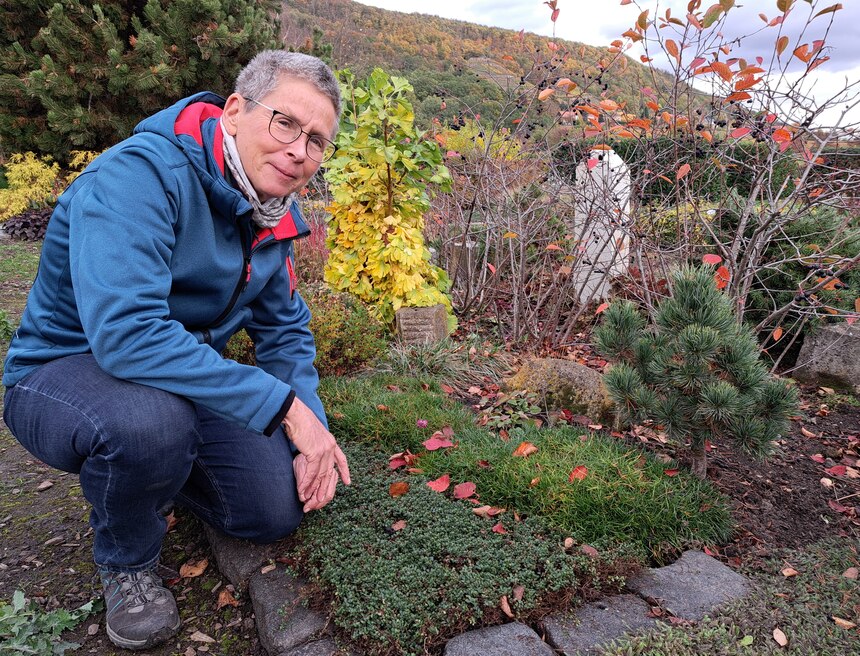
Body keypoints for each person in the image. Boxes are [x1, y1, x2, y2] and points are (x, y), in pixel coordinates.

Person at [2, 50, 350, 651]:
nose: (300, 150)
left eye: (318, 141)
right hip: (64, 372)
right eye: (286, 123)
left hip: (171, 379)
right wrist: (282, 407)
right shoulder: (137, 178)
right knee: (148, 425)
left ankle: (149, 476)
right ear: (235, 111)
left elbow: (285, 331)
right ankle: (128, 562)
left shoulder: (272, 216)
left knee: (272, 510)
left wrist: (310, 426)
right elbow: (127, 334)